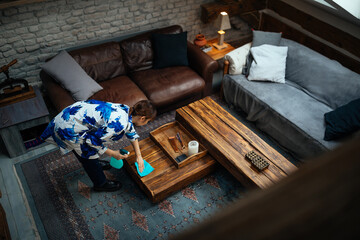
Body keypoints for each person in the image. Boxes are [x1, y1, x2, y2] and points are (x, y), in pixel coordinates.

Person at [40, 99, 156, 192]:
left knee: (90, 150)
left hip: (71, 116)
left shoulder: (126, 109)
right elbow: (92, 142)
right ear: (142, 118)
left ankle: (96, 163)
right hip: (69, 128)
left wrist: (139, 155)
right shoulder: (119, 124)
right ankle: (100, 184)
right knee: (87, 154)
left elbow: (131, 132)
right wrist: (113, 153)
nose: (147, 123)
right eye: (148, 121)